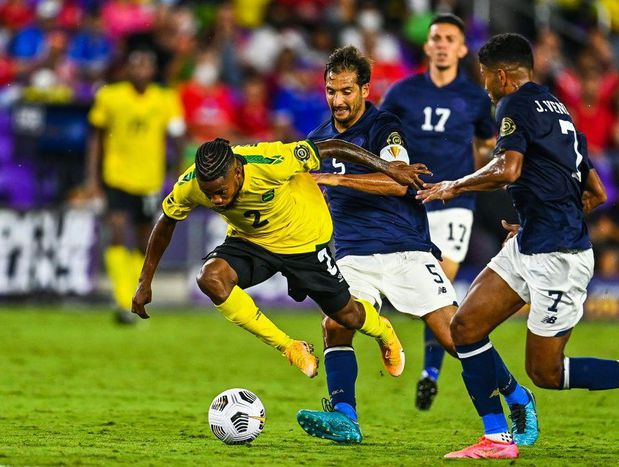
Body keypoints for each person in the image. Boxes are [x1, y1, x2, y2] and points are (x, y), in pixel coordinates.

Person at [416, 33, 619, 459]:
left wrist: (453, 186)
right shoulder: (559, 109)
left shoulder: (515, 104)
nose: (485, 86)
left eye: (486, 78)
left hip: (559, 256)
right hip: (532, 241)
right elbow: (596, 191)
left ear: (501, 76)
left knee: (545, 371)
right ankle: (496, 438)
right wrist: (540, 217)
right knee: (465, 327)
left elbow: (508, 168)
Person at [296, 45, 536, 445]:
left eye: (347, 91)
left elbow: (400, 181)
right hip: (353, 253)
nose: (338, 100)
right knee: (336, 325)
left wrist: (336, 179)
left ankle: (517, 395)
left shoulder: (384, 127)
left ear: (365, 90)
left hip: (405, 248)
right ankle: (345, 416)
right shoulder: (316, 140)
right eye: (331, 92)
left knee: (457, 337)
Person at [131, 137, 428, 379]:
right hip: (252, 241)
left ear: (237, 172)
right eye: (210, 196)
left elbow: (333, 147)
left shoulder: (272, 160)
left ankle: (383, 330)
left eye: (221, 192)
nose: (216, 201)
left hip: (305, 239)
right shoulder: (192, 184)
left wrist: (388, 167)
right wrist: (145, 281)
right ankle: (290, 347)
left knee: (347, 316)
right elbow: (166, 221)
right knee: (210, 278)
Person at [380, 13, 502, 412]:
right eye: (437, 38)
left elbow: (487, 143)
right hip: (411, 202)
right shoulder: (402, 93)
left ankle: (430, 372)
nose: (443, 43)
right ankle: (430, 366)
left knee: (440, 282)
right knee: (432, 291)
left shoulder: (473, 97)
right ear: (427, 46)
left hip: (454, 203)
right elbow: (381, 136)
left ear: (462, 48)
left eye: (451, 38)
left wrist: (472, 177)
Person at [86, 49, 185, 324]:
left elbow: (176, 139)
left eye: (146, 65)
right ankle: (121, 298)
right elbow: (96, 139)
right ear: (127, 70)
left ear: (153, 71)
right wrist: (93, 180)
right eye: (136, 65)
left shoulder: (166, 99)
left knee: (144, 241)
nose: (141, 70)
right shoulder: (110, 96)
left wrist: (178, 177)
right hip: (116, 177)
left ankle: (134, 294)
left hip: (150, 181)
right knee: (117, 233)